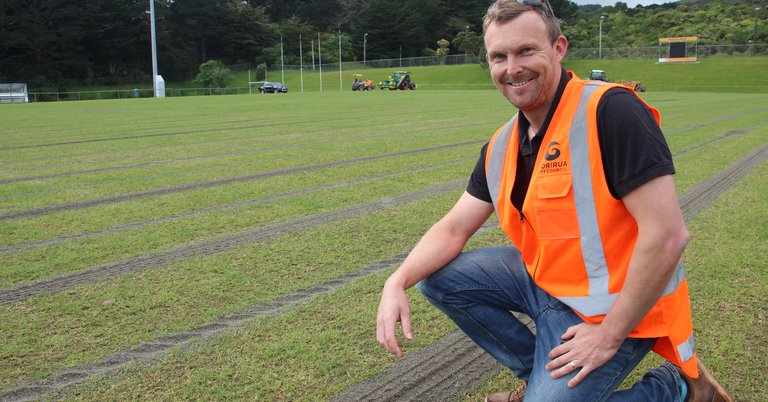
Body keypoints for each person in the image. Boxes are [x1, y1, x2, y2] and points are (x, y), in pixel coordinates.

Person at [375, 0, 734, 401]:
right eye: (499, 56)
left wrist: (609, 334)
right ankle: (537, 379)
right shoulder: (501, 145)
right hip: (548, 284)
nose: (513, 68)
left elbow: (667, 235)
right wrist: (396, 280)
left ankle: (677, 389)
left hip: (620, 307)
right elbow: (454, 227)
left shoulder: (610, 111)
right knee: (439, 278)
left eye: (526, 50)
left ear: (559, 48)